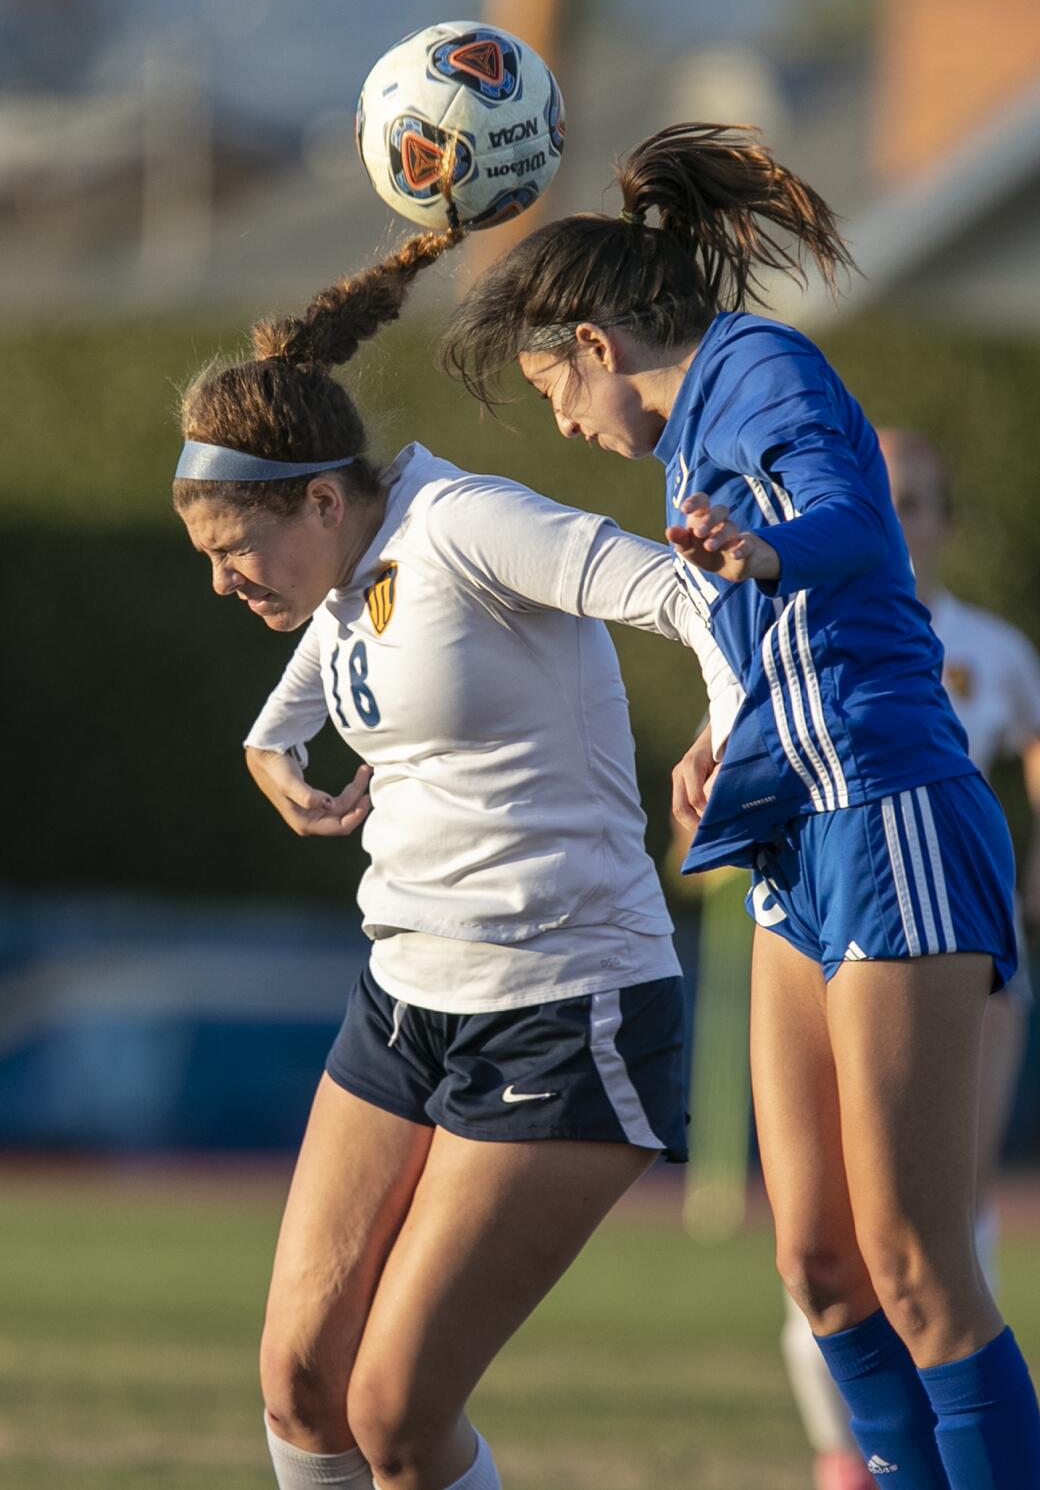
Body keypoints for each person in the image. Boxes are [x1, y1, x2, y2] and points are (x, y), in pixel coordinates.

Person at [439, 124, 1040, 1489]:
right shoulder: (689, 442)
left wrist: (769, 545)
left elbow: (843, 514)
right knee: (820, 1265)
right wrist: (723, 731)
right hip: (793, 835)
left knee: (914, 1260)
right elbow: (778, 629)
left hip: (888, 811)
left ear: (592, 344)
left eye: (549, 389)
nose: (563, 422)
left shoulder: (757, 368)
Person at [172, 225, 739, 1490]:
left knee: (395, 1409)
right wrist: (276, 759)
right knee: (302, 1383)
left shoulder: (468, 523)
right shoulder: (342, 576)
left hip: (566, 1008)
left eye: (231, 553)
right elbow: (308, 689)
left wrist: (724, 741)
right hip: (403, 1000)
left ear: (322, 497)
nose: (221, 583)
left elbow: (693, 597)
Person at [779, 428, 1040, 1490]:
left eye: (917, 500)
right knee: (825, 1244)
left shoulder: (985, 646)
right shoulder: (810, 621)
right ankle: (853, 1450)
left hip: (959, 939)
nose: (900, 516)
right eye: (884, 494)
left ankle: (937, 1432)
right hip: (830, 928)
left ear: (944, 521)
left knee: (938, 1211)